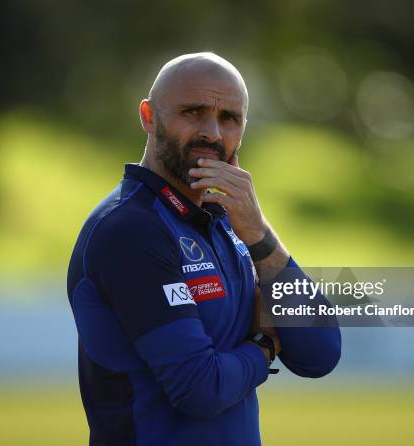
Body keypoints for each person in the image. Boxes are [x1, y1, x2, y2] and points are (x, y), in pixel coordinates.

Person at [67, 52, 341, 446]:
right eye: (193, 112)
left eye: (230, 118)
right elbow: (201, 389)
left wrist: (259, 233)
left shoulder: (228, 223)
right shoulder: (128, 229)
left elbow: (320, 352)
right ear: (148, 116)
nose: (212, 132)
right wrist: (264, 347)